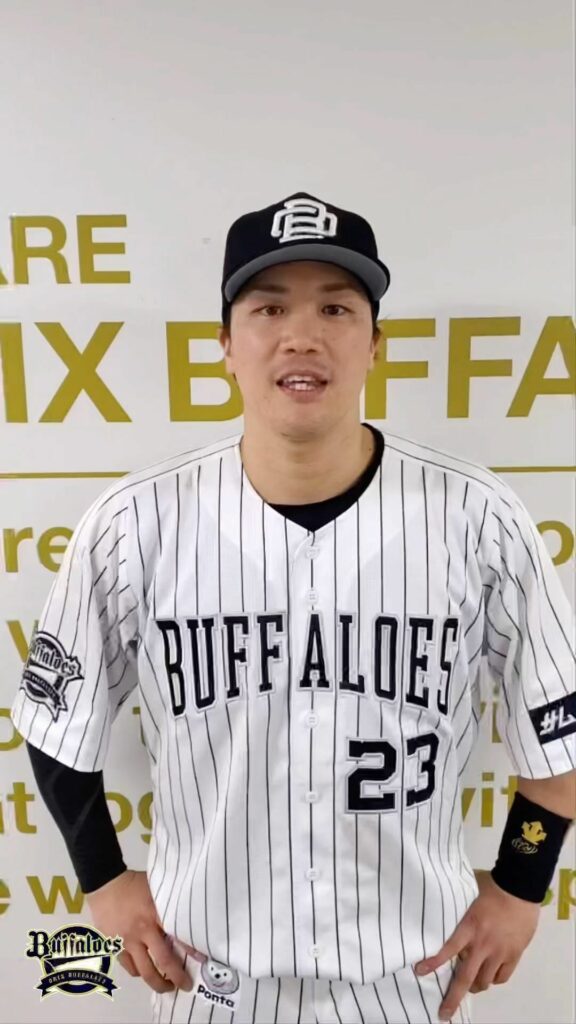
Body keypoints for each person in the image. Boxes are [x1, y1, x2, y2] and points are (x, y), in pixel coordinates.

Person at [11, 191, 575, 1024]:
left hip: (410, 976)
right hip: (209, 979)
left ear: (375, 344)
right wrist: (101, 879)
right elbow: (57, 722)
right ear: (226, 346)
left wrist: (523, 885)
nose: (302, 335)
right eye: (269, 307)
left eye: (336, 308)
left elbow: (556, 723)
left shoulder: (476, 518)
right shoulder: (133, 524)